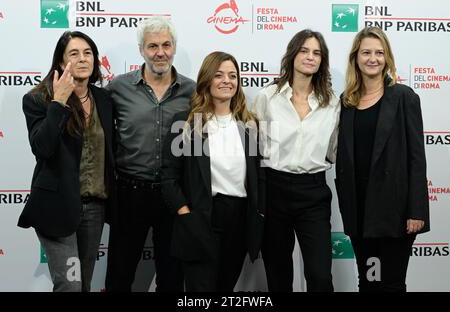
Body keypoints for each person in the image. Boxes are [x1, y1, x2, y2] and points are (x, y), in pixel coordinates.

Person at [18, 31, 115, 292]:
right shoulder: (38, 98)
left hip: (94, 208)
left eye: (88, 53)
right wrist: (59, 101)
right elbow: (42, 147)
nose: (83, 59)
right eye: (74, 54)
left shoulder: (104, 99)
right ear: (61, 63)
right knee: (70, 286)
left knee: (83, 284)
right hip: (57, 208)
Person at [335, 26, 429, 292]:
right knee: (368, 280)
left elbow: (416, 158)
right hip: (360, 211)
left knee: (391, 282)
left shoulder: (404, 98)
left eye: (379, 52)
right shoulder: (347, 101)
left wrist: (416, 210)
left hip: (395, 212)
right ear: (356, 57)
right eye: (366, 52)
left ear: (387, 58)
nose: (372, 58)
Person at [161, 51, 265, 291]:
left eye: (232, 75)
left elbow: (259, 176)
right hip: (201, 219)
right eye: (218, 75)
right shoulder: (186, 123)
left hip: (238, 222)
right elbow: (168, 177)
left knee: (225, 289)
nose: (226, 80)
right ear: (207, 79)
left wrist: (258, 214)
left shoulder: (249, 125)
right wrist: (186, 214)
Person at [105, 16, 196, 292]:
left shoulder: (192, 91)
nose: (160, 52)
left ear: (174, 47)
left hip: (173, 195)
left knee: (171, 278)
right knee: (119, 275)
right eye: (153, 45)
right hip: (129, 193)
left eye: (166, 45)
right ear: (141, 49)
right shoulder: (118, 88)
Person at [252, 29, 339, 292]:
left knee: (320, 276)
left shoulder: (332, 102)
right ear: (292, 54)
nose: (310, 57)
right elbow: (253, 148)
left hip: (313, 193)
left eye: (317, 53)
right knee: (278, 275)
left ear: (322, 61)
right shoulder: (267, 98)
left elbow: (334, 150)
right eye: (304, 50)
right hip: (274, 190)